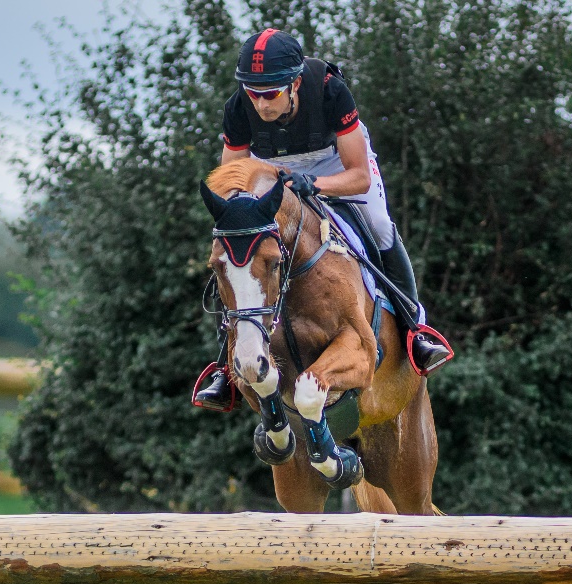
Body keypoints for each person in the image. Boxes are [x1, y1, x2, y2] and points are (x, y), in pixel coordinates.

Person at [193, 28, 453, 410]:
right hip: (273, 170)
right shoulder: (238, 107)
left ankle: (415, 329)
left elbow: (359, 176)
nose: (261, 105)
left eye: (271, 94)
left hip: (337, 163)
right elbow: (232, 183)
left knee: (378, 226)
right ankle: (224, 365)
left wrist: (314, 184)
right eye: (253, 93)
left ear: (295, 83)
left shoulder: (330, 90)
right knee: (239, 247)